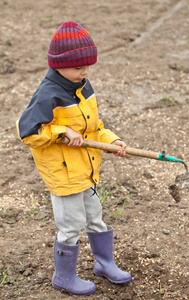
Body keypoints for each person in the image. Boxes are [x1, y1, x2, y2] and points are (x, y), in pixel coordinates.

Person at [16, 21, 131, 296]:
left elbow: (95, 128)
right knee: (70, 227)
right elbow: (28, 132)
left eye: (87, 66)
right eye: (79, 67)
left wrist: (111, 141)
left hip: (86, 170)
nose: (85, 72)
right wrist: (61, 131)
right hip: (64, 174)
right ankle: (63, 277)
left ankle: (104, 264)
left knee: (96, 220)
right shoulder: (48, 94)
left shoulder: (82, 87)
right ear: (59, 65)